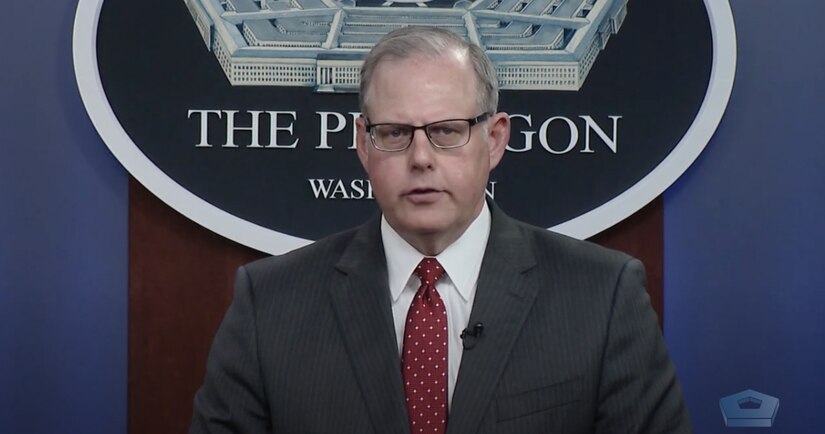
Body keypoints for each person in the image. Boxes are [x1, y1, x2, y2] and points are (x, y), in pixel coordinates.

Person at [190, 26, 692, 433]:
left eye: (447, 131)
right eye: (395, 133)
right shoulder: (270, 303)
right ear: (364, 144)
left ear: (494, 140)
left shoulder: (601, 297)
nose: (421, 158)